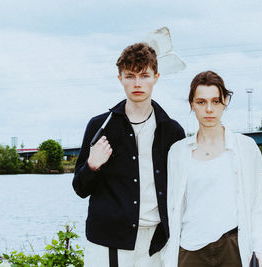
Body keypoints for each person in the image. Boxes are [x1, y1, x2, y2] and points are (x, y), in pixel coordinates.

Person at [73, 42, 185, 267]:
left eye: (144, 76)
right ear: (120, 79)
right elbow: (80, 188)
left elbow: (183, 191)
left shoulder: (172, 131)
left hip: (155, 243)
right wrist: (92, 166)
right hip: (106, 243)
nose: (137, 83)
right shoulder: (99, 127)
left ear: (156, 77)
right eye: (130, 76)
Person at [163, 71, 262, 267]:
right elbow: (173, 208)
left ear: (225, 102)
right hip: (190, 250)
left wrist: (260, 248)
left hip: (232, 248)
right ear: (192, 105)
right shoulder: (177, 152)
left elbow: (258, 207)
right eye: (201, 102)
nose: (209, 109)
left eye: (216, 101)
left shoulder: (245, 148)